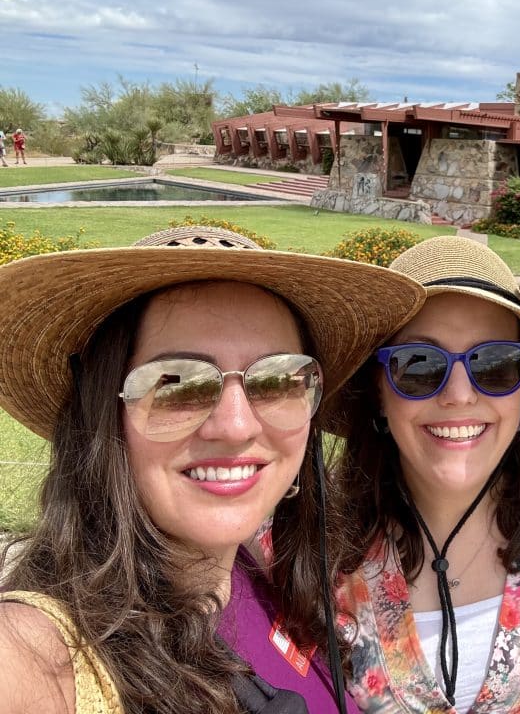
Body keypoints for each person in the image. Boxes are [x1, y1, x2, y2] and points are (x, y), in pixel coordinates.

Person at [0, 225, 425, 713]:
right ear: (104, 411)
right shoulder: (43, 657)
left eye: (278, 379)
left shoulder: (262, 576)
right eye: (177, 383)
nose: (236, 425)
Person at [321, 236, 520, 713]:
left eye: (496, 364)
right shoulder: (315, 542)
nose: (460, 395)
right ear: (378, 391)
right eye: (420, 365)